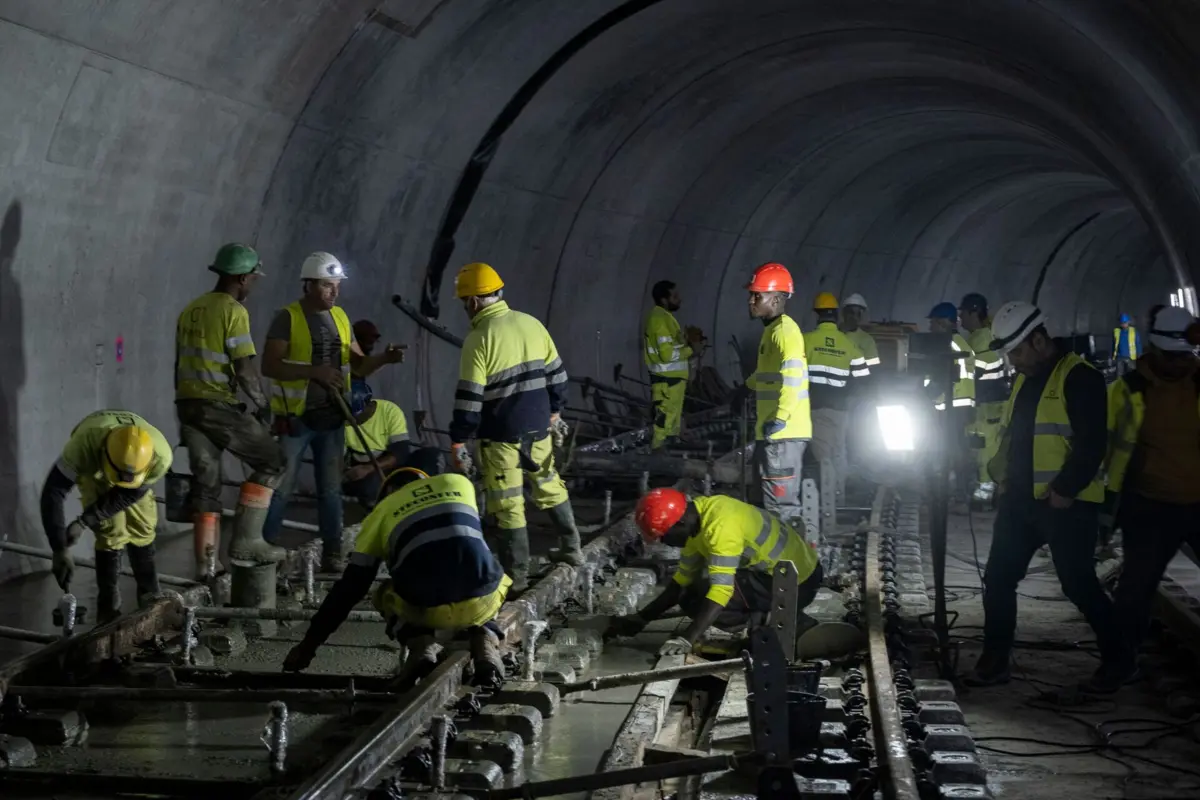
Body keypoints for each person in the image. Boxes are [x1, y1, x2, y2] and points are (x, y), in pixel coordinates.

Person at [965, 301, 1123, 690]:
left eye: (1017, 351)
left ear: (1039, 340)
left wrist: (1065, 490)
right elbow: (1016, 435)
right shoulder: (1023, 377)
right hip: (1021, 501)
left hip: (1064, 504)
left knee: (1078, 583)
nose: (1013, 361)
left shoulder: (1079, 377)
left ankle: (1121, 659)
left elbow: (1091, 444)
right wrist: (1002, 478)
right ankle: (995, 659)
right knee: (999, 578)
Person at [283, 448, 510, 687]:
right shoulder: (459, 483)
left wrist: (308, 646)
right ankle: (486, 633)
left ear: (388, 492)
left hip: (425, 608)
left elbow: (350, 589)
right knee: (490, 572)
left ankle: (420, 642)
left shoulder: (379, 514)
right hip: (481, 600)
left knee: (382, 593)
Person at [261, 253, 407, 572]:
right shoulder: (287, 318)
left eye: (337, 286)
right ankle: (263, 554)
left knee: (330, 490)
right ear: (309, 285)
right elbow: (269, 365)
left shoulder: (341, 317)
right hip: (296, 419)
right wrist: (315, 372)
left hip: (332, 418)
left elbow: (359, 364)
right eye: (327, 286)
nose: (334, 293)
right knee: (280, 488)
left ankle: (332, 554)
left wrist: (384, 358)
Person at [450, 262, 584, 590]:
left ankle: (518, 577)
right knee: (549, 483)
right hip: (538, 426)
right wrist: (554, 411)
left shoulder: (479, 338)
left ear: (472, 302)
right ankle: (571, 548)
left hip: (500, 434)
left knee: (508, 502)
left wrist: (459, 440)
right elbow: (559, 376)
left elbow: (469, 399)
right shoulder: (531, 324)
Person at [175, 243, 286, 579]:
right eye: (253, 276)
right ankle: (247, 540)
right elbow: (244, 368)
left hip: (188, 406)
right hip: (217, 405)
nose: (254, 282)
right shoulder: (233, 311)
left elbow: (179, 363)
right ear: (241, 277)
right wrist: (263, 405)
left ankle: (207, 567)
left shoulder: (191, 309)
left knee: (206, 485)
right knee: (272, 461)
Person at [606, 487, 823, 654]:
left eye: (664, 537)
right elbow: (681, 582)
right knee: (692, 594)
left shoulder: (720, 528)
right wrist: (642, 618)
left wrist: (687, 639)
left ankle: (781, 620)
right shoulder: (698, 516)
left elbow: (721, 591)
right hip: (782, 574)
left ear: (679, 523)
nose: (666, 544)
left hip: (798, 583)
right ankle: (767, 617)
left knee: (705, 595)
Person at [1105, 308, 1199, 688]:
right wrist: (1102, 510)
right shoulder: (1127, 390)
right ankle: (1121, 664)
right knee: (1134, 591)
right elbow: (1106, 448)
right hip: (1148, 506)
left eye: (1185, 356)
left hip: (1197, 504)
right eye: (1172, 356)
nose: (1179, 363)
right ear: (1155, 351)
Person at [40, 411, 173, 624]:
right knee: (110, 530)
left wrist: (84, 521)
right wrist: (59, 548)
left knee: (143, 527)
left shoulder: (160, 456)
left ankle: (151, 601)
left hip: (133, 478)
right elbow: (53, 492)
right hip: (96, 468)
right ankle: (108, 611)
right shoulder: (84, 446)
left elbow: (129, 494)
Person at [745, 263, 811, 523]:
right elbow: (767, 372)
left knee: (780, 507)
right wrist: (745, 387)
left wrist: (781, 416)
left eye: (756, 296)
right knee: (768, 502)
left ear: (775, 298)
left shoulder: (785, 331)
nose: (751, 301)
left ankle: (787, 560)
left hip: (783, 433)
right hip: (774, 432)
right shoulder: (772, 331)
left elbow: (794, 375)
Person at [804, 292, 869, 502]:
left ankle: (829, 501)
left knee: (823, 456)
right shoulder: (849, 344)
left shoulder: (806, 341)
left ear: (817, 314)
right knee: (839, 452)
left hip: (816, 407)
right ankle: (838, 498)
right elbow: (863, 379)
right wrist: (849, 398)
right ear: (836, 314)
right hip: (841, 409)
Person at [958, 293, 1007, 501]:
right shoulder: (985, 336)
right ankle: (986, 486)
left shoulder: (981, 339)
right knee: (984, 444)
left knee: (986, 447)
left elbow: (971, 373)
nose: (961, 319)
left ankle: (986, 489)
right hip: (990, 401)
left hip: (988, 403)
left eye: (963, 314)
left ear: (974, 312)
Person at [644, 280, 704, 449]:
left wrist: (687, 340)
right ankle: (657, 455)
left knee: (671, 423)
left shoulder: (666, 318)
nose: (680, 299)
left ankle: (668, 456)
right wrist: (691, 350)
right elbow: (667, 354)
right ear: (664, 300)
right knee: (663, 423)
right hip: (666, 382)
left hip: (673, 382)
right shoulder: (658, 320)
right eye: (675, 296)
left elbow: (673, 346)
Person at [342, 379, 411, 509]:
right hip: (359, 467)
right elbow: (339, 457)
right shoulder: (344, 421)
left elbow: (401, 452)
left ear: (368, 407)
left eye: (354, 416)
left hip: (387, 465)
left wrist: (368, 469)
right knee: (369, 486)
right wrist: (345, 472)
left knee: (429, 456)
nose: (350, 421)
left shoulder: (390, 411)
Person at [840, 293, 881, 368]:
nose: (854, 317)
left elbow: (873, 367)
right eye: (851, 312)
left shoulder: (867, 340)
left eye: (858, 313)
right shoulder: (833, 335)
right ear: (844, 313)